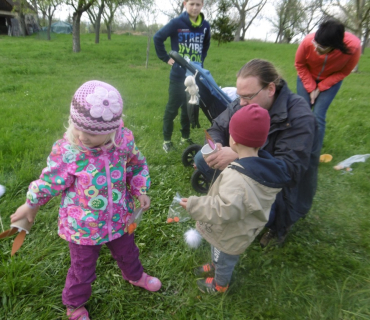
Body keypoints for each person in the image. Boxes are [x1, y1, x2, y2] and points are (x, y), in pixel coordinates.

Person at [10, 81, 161, 320]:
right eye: (82, 129)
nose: (86, 137)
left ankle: (134, 275)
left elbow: (136, 164)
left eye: (94, 133)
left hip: (119, 218)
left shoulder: (123, 142)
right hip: (83, 227)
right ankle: (75, 304)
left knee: (128, 252)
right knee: (82, 269)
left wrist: (140, 188)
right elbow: (50, 180)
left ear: (113, 130)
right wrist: (31, 203)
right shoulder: (69, 151)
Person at [193, 59, 321, 247]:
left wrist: (239, 157)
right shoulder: (243, 103)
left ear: (270, 89)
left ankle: (276, 224)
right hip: (250, 171)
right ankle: (234, 204)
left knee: (267, 208)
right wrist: (217, 146)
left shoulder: (299, 117)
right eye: (239, 96)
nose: (241, 103)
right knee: (201, 159)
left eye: (248, 96)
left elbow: (289, 171)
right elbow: (217, 127)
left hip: (283, 191)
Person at [180, 104, 290, 293]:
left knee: (225, 261)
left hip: (231, 234)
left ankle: (220, 284)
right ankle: (214, 265)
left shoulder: (240, 179)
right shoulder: (260, 168)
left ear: (234, 141)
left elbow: (223, 209)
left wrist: (194, 204)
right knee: (219, 251)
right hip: (238, 229)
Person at [153, 0, 211, 153]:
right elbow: (158, 38)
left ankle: (185, 136)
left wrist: (199, 62)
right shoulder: (177, 23)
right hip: (178, 76)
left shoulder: (205, 26)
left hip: (195, 75)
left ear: (202, 5)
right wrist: (166, 58)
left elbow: (205, 46)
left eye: (198, 4)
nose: (194, 7)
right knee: (172, 109)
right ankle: (167, 140)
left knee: (188, 107)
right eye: (191, 4)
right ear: (185, 4)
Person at [295, 18, 361, 149]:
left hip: (331, 80)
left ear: (335, 46)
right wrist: (311, 87)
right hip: (307, 76)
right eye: (316, 44)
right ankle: (299, 149)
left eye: (322, 47)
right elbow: (300, 64)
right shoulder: (308, 41)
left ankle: (314, 153)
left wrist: (320, 88)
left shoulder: (353, 47)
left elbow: (344, 72)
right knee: (303, 113)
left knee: (318, 115)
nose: (316, 48)